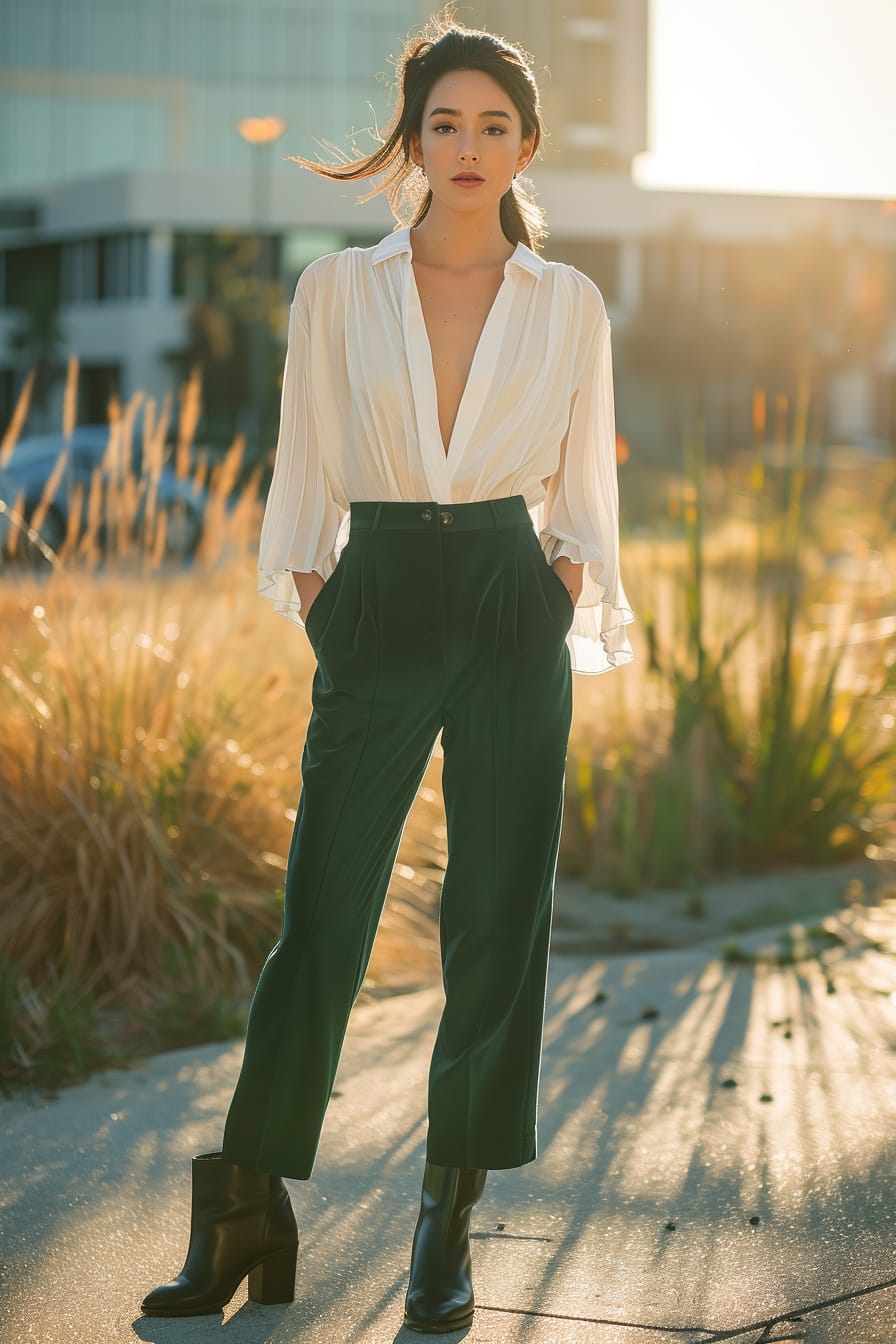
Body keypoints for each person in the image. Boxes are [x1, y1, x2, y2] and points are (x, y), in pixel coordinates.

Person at [140, 5, 635, 1333]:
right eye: (443, 123)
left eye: (492, 126)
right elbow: (304, 458)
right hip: (377, 597)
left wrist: (562, 589)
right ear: (410, 142)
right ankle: (246, 1201)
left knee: (494, 922)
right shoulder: (337, 290)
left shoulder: (569, 302)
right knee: (325, 914)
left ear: (525, 145)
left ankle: (447, 1213)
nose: (466, 146)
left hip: (507, 599)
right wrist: (320, 598)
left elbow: (585, 485)